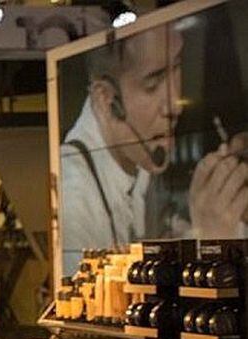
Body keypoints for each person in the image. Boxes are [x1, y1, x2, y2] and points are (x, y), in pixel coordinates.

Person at [60, 24, 248, 272]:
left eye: (177, 68)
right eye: (153, 84)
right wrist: (210, 241)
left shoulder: (138, 156)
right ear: (106, 99)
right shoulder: (72, 196)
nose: (175, 105)